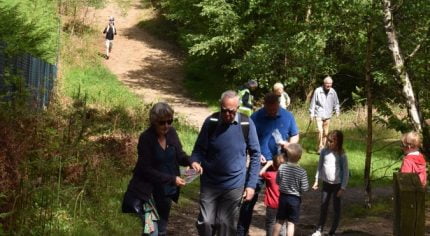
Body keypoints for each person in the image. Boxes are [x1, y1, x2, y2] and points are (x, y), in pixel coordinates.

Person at [190, 90, 261, 236]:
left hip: (234, 185)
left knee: (225, 225)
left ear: (238, 108)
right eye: (224, 111)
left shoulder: (246, 124)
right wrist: (195, 161)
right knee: (206, 222)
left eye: (231, 111)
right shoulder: (211, 122)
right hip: (210, 183)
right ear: (220, 106)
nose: (227, 114)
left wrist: (251, 185)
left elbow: (255, 155)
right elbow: (198, 149)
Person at [237, 92, 299, 236]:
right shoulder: (255, 118)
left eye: (274, 109)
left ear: (278, 104)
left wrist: (289, 146)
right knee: (249, 197)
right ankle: (241, 231)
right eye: (269, 109)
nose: (272, 112)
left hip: (281, 164)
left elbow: (295, 134)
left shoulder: (288, 116)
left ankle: (276, 232)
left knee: (280, 200)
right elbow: (244, 139)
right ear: (264, 105)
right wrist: (253, 155)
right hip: (259, 163)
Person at [125, 102, 191, 235]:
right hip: (147, 195)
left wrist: (191, 162)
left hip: (166, 192)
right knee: (151, 232)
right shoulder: (146, 138)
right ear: (154, 122)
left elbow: (180, 155)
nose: (166, 125)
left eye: (169, 121)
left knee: (162, 230)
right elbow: (146, 170)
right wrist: (172, 179)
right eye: (162, 122)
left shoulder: (171, 133)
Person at [311, 130, 349, 236]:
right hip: (326, 184)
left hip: (337, 185)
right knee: (324, 206)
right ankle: (319, 229)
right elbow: (319, 166)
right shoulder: (324, 151)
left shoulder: (342, 155)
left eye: (332, 141)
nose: (329, 143)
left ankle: (333, 231)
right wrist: (316, 180)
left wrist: (343, 188)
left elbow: (346, 172)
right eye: (328, 141)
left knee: (336, 208)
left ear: (338, 142)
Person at [272, 143, 309, 236]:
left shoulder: (282, 167)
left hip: (283, 197)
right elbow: (305, 188)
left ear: (287, 156)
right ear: (300, 157)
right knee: (291, 223)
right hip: (295, 199)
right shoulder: (302, 172)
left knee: (279, 221)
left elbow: (277, 181)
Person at [309, 76, 340, 153]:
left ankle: (324, 146)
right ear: (324, 83)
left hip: (328, 114)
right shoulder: (318, 91)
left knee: (326, 133)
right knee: (320, 131)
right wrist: (311, 114)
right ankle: (320, 146)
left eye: (330, 84)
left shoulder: (333, 92)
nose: (329, 85)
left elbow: (336, 103)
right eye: (327, 84)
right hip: (319, 113)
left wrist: (337, 111)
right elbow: (313, 103)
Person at [260, 154, 287, 236]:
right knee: (282, 223)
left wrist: (268, 164)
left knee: (270, 223)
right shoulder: (286, 176)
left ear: (274, 166)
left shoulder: (270, 175)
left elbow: (261, 173)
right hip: (284, 204)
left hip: (272, 205)